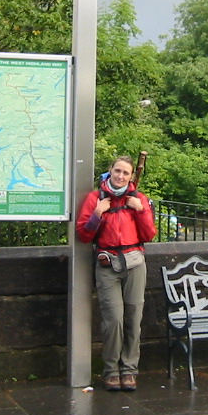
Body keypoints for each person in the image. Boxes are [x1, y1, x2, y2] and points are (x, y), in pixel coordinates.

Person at [77, 156, 157, 391]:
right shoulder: (96, 198)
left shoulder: (138, 199)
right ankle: (111, 370)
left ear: (131, 177)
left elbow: (149, 235)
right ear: (110, 171)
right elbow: (84, 235)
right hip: (107, 265)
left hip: (134, 264)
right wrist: (97, 214)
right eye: (117, 171)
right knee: (113, 321)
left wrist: (140, 210)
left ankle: (129, 370)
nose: (120, 176)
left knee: (133, 318)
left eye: (125, 173)